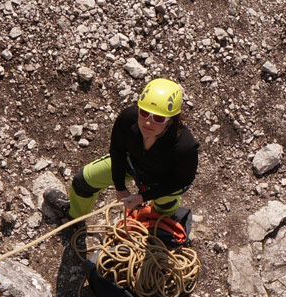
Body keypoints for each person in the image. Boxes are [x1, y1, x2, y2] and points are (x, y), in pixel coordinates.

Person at [53, 77, 199, 220]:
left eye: (159, 119)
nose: (148, 123)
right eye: (144, 113)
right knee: (83, 181)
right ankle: (75, 217)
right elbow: (117, 151)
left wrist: (144, 197)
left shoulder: (185, 147)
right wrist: (120, 187)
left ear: (172, 120)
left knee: (165, 202)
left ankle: (161, 219)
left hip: (164, 180)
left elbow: (182, 181)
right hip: (132, 164)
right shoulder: (128, 118)